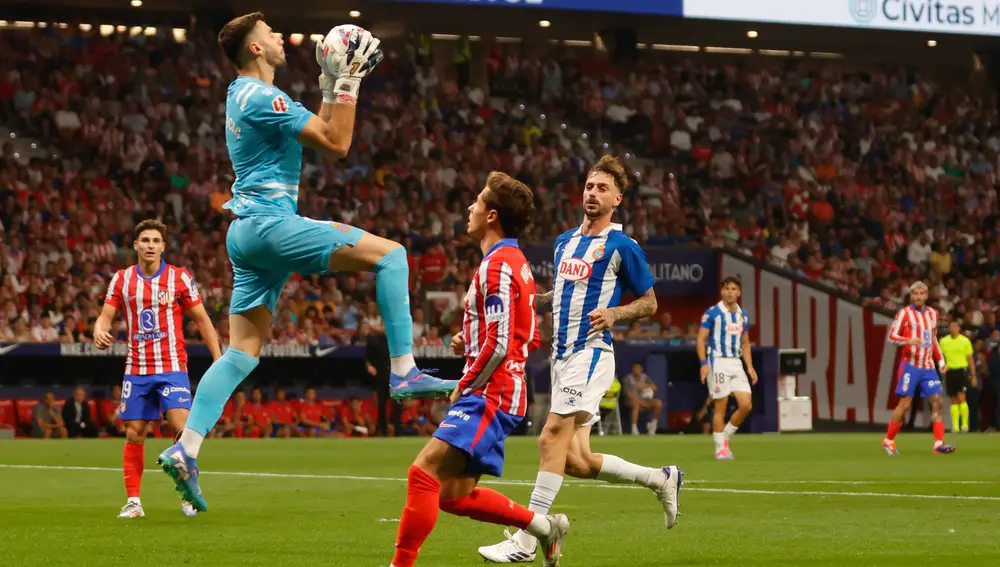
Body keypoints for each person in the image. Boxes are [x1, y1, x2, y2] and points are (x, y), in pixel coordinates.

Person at [158, 14, 455, 512]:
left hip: (245, 233)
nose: (280, 37)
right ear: (255, 49)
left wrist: (330, 84)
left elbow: (319, 127)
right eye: (270, 33)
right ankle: (404, 369)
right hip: (270, 225)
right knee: (393, 256)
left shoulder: (242, 95)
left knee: (241, 353)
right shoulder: (262, 96)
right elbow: (338, 142)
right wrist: (349, 81)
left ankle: (186, 447)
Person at [477, 157, 681, 565]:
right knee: (576, 460)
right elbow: (559, 295)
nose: (593, 193)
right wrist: (527, 300)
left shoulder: (623, 246)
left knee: (549, 437)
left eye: (603, 188)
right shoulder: (565, 241)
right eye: (590, 186)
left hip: (591, 354)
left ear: (617, 199)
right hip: (561, 356)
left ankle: (528, 539)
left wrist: (616, 313)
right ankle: (661, 479)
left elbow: (650, 302)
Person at [390, 173, 568, 567]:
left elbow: (502, 343)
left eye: (477, 201)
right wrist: (470, 341)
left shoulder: (498, 265)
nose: (470, 207)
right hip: (503, 389)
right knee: (452, 495)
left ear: (491, 216)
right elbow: (526, 336)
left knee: (423, 473)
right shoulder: (515, 263)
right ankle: (544, 527)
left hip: (491, 392)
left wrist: (466, 382)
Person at [94, 219, 221, 519]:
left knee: (182, 430)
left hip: (172, 366)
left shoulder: (179, 277)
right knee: (134, 433)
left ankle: (187, 494)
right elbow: (105, 316)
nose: (150, 245)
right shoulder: (122, 279)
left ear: (163, 247)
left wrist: (218, 359)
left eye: (155, 241)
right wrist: (99, 330)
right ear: (135, 245)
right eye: (145, 240)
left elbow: (202, 319)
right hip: (137, 368)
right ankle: (134, 502)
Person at [883, 281, 956, 454]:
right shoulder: (904, 313)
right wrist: (907, 340)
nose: (918, 297)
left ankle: (938, 444)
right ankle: (888, 440)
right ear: (911, 296)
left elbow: (933, 339)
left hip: (928, 366)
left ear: (926, 295)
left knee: (937, 401)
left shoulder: (933, 314)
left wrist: (941, 361)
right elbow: (891, 336)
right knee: (905, 405)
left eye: (921, 293)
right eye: (915, 294)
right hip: (910, 365)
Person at [696, 277, 758, 459]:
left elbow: (745, 343)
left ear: (739, 292)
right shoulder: (713, 313)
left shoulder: (743, 315)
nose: (730, 292)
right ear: (722, 291)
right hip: (718, 362)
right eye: (727, 288)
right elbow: (700, 339)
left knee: (746, 405)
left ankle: (725, 437)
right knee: (720, 406)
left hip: (736, 362)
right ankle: (720, 449)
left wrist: (750, 367)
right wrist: (703, 364)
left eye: (733, 289)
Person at [939, 319, 976, 433]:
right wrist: (943, 366)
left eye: (955, 327)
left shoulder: (965, 341)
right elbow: (940, 357)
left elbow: (970, 359)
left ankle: (964, 425)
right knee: (953, 399)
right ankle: (955, 427)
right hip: (950, 372)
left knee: (961, 397)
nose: (953, 329)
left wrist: (973, 376)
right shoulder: (944, 341)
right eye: (951, 327)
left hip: (961, 371)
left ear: (959, 328)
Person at [623, 362, 662, 435]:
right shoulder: (628, 379)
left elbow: (654, 388)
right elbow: (628, 394)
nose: (636, 370)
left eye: (638, 369)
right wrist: (639, 402)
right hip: (632, 401)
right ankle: (634, 428)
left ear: (641, 370)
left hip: (644, 400)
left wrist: (645, 385)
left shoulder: (645, 377)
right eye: (635, 368)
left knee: (658, 403)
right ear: (633, 369)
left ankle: (653, 425)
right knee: (636, 404)